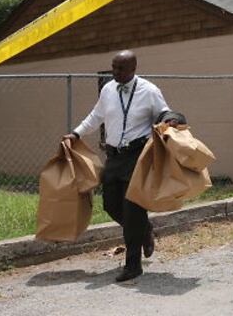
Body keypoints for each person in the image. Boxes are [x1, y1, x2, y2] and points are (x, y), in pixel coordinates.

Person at [62, 50, 170, 282]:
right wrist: (75, 134)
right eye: (113, 67)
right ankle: (144, 230)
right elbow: (96, 116)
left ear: (133, 68)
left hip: (137, 156)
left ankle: (133, 266)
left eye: (120, 68)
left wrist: (173, 118)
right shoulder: (108, 89)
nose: (115, 72)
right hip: (114, 156)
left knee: (132, 209)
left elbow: (163, 113)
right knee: (111, 205)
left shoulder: (149, 91)